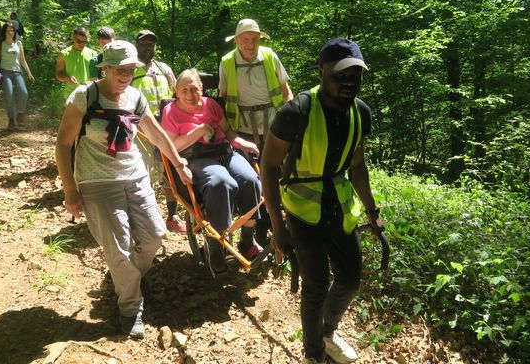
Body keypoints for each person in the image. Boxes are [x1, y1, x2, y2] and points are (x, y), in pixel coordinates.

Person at [55, 41, 192, 339]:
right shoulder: (85, 96)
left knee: (155, 235)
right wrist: (70, 190)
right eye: (121, 70)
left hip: (135, 176)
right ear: (105, 68)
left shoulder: (135, 97)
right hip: (97, 182)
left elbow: (156, 134)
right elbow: (63, 144)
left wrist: (179, 163)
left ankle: (128, 276)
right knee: (118, 248)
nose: (127, 75)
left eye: (131, 70)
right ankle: (130, 308)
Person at [261, 38, 382, 364]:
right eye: (340, 75)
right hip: (302, 210)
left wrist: (372, 210)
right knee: (315, 287)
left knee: (350, 278)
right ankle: (314, 353)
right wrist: (277, 226)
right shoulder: (296, 111)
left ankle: (326, 334)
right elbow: (269, 166)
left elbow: (357, 165)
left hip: (341, 208)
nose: (348, 82)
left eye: (354, 75)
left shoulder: (360, 113)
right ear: (321, 71)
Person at [162, 69, 263, 273]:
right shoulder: (171, 111)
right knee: (221, 182)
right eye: (185, 90)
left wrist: (242, 142)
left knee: (251, 179)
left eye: (195, 89)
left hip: (224, 152)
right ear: (176, 90)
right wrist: (199, 130)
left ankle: (247, 239)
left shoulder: (211, 104)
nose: (190, 94)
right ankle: (216, 245)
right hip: (196, 157)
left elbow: (226, 132)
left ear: (202, 88)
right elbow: (172, 146)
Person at [131, 29, 186, 233]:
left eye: (151, 43)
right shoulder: (130, 70)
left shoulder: (164, 69)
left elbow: (176, 95)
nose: (148, 46)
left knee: (169, 174)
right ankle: (144, 218)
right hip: (140, 133)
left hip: (165, 132)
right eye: (144, 43)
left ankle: (172, 215)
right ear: (137, 45)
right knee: (143, 174)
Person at [219, 18, 293, 148]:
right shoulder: (227, 62)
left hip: (274, 125)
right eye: (245, 39)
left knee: (276, 166)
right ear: (236, 40)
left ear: (260, 39)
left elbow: (286, 92)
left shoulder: (269, 56)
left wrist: (288, 119)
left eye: (255, 39)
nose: (251, 44)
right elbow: (222, 96)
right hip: (242, 129)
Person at [0, 22, 35, 131]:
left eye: (12, 30)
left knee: (24, 93)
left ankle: (20, 114)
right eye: (8, 31)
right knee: (9, 95)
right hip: (6, 72)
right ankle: (11, 121)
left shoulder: (18, 43)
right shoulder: (0, 43)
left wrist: (29, 73)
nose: (10, 32)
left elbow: (22, 60)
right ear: (4, 32)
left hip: (17, 72)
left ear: (14, 32)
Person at [55, 26, 96, 96]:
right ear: (73, 38)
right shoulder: (63, 54)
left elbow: (96, 75)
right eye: (79, 41)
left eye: (85, 42)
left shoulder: (93, 53)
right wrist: (68, 79)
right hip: (70, 94)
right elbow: (58, 75)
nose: (82, 44)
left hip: (89, 92)